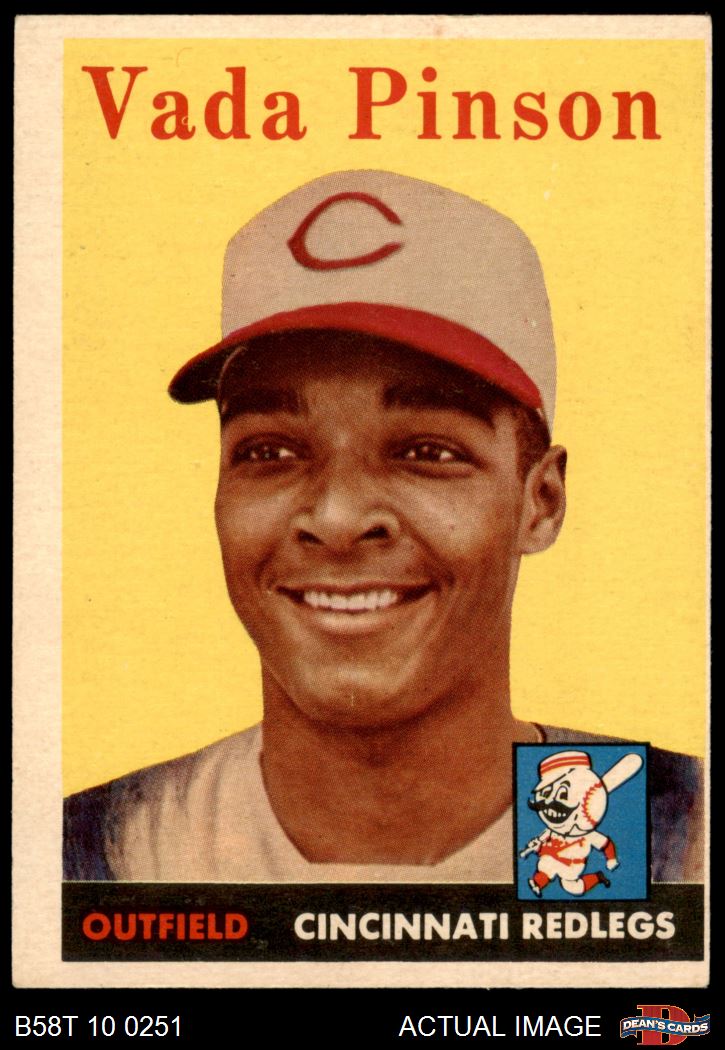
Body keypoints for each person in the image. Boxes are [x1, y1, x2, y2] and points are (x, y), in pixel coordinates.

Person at [63, 170, 702, 883]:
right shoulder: (97, 855)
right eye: (269, 452)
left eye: (426, 452)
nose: (337, 517)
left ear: (541, 501)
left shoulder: (671, 841)